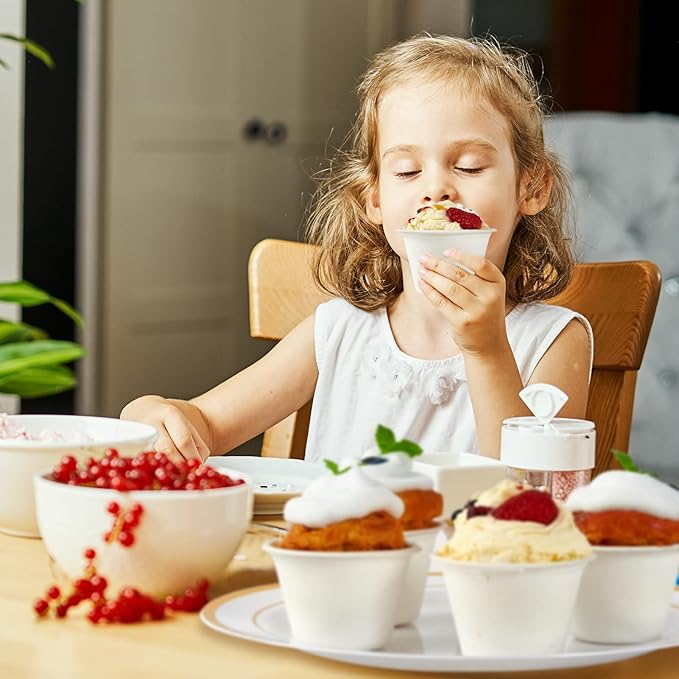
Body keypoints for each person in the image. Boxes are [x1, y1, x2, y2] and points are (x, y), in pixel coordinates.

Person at [121, 33, 592, 463]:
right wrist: (153, 414)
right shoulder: (337, 331)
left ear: (531, 186)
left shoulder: (553, 339)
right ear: (376, 200)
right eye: (407, 171)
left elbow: (536, 494)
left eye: (469, 167)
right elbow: (204, 425)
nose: (436, 189)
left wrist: (488, 351)